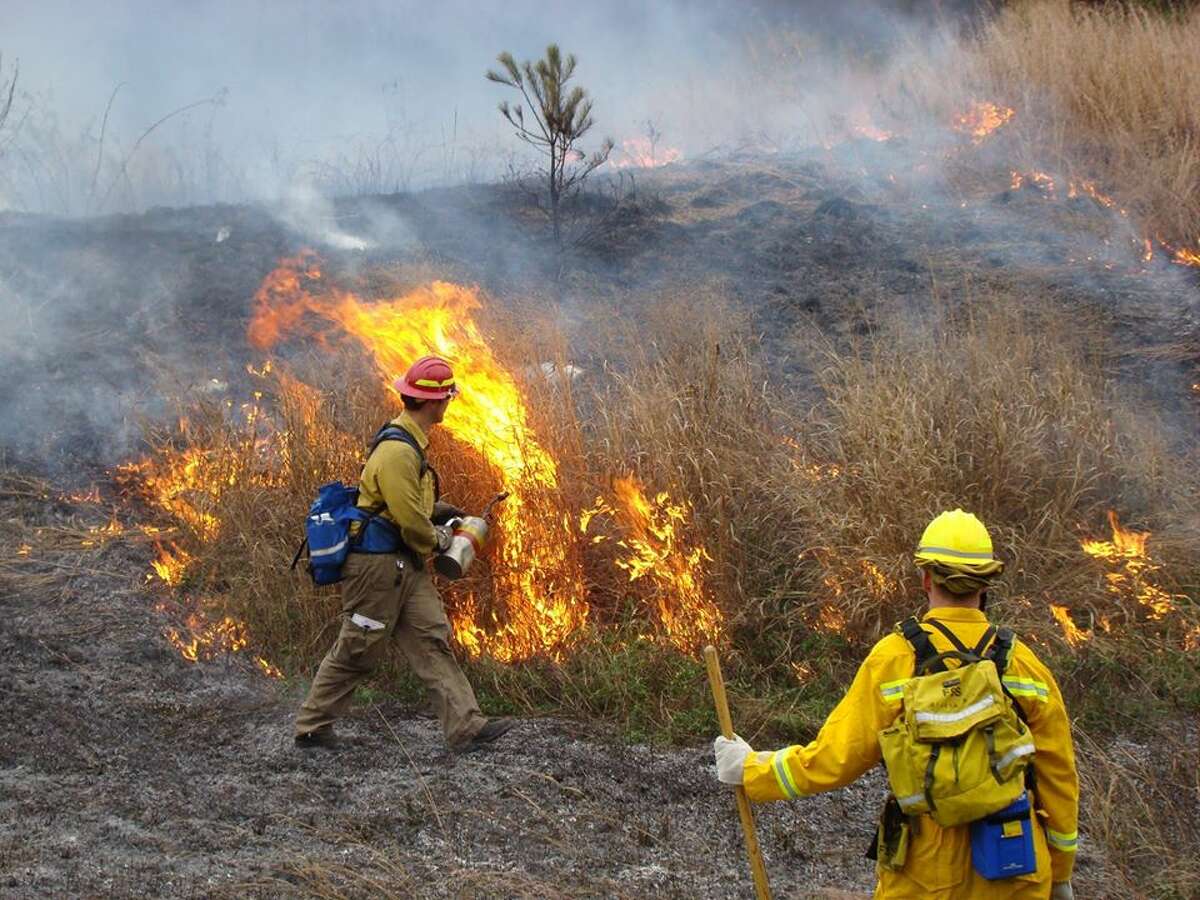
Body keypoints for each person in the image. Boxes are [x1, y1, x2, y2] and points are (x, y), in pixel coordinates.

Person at [714, 510, 1078, 899]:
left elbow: (834, 758)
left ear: (925, 578)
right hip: (1014, 865)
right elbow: (1058, 780)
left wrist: (752, 769)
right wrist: (1060, 873)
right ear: (986, 583)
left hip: (925, 875)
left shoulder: (896, 658)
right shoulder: (1023, 664)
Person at [295, 355, 513, 753]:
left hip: (403, 567)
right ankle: (312, 727)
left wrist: (445, 511)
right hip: (377, 569)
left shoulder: (410, 442)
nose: (449, 404)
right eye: (447, 397)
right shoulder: (398, 451)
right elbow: (411, 521)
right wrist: (444, 540)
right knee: (358, 648)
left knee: (432, 640)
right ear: (434, 401)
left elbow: (411, 505)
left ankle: (466, 726)